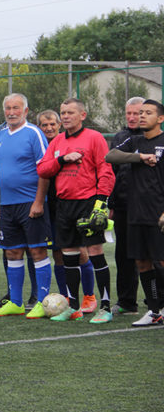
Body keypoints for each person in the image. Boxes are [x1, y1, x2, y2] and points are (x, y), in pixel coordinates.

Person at [37, 97, 115, 323]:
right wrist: (62, 159)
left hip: (88, 203)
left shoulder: (95, 137)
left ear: (82, 115)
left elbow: (106, 171)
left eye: (70, 112)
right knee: (68, 256)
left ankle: (105, 307)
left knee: (95, 253)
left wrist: (101, 203)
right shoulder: (57, 141)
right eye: (63, 112)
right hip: (64, 205)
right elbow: (43, 169)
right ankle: (72, 307)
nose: (65, 116)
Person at [0, 94, 52, 318]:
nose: (11, 112)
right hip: (7, 206)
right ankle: (16, 302)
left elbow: (45, 170)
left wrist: (38, 201)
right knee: (12, 252)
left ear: (25, 111)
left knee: (37, 250)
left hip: (30, 203)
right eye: (7, 108)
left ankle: (42, 302)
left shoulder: (34, 133)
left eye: (16, 108)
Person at [106, 99, 164, 326]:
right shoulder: (134, 141)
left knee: (161, 262)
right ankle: (154, 310)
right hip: (135, 213)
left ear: (160, 118)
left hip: (158, 214)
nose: (141, 116)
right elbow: (111, 156)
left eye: (147, 113)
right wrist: (139, 157)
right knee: (142, 262)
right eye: (140, 113)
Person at [38, 110, 95, 304]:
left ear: (59, 125)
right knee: (58, 252)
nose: (49, 128)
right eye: (44, 125)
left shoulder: (66, 143)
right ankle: (66, 297)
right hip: (52, 206)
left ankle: (89, 296)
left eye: (52, 124)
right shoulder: (40, 145)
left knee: (80, 250)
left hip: (74, 203)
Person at [108, 96, 145, 315]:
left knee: (152, 255)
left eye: (137, 113)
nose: (132, 117)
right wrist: (111, 203)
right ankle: (126, 302)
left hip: (148, 206)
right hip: (123, 206)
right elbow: (112, 172)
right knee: (123, 255)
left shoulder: (155, 138)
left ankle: (156, 301)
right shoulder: (120, 138)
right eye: (128, 113)